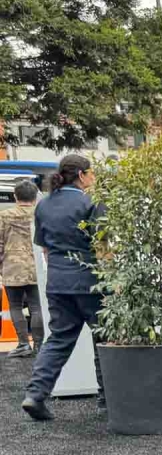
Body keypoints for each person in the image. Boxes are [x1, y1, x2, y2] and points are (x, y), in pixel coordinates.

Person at [21, 154, 105, 422]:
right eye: (91, 173)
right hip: (90, 281)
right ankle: (107, 399)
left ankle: (35, 394)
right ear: (81, 175)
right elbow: (103, 246)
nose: (93, 178)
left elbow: (45, 249)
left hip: (58, 281)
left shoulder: (44, 205)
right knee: (104, 340)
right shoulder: (92, 202)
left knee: (58, 339)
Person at [0, 179, 43, 358]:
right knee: (37, 306)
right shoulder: (40, 215)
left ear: (15, 196)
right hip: (36, 267)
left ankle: (23, 343)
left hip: (12, 266)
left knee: (16, 306)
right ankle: (39, 345)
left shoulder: (4, 216)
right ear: (34, 197)